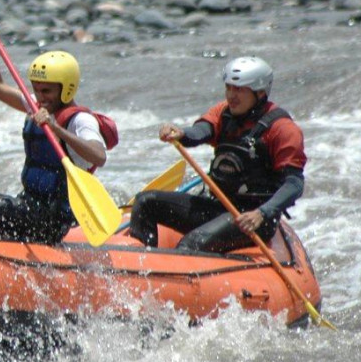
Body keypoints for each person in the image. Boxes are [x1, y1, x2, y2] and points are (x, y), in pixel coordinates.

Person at [0, 17, 108, 244]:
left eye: (46, 91)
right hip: (27, 206)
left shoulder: (80, 120)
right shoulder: (37, 106)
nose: (39, 97)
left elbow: (99, 156)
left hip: (48, 220)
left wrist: (57, 129)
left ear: (67, 89)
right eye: (36, 89)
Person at [127, 56, 306, 253]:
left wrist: (261, 214)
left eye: (239, 89)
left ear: (260, 92)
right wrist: (182, 133)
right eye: (228, 87)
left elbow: (294, 184)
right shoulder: (224, 112)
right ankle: (141, 268)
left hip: (252, 218)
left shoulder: (283, 129)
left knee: (192, 243)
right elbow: (202, 131)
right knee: (145, 202)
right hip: (217, 207)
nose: (231, 95)